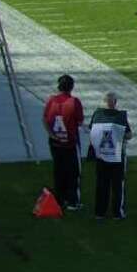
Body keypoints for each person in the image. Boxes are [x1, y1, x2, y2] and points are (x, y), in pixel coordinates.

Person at [85, 91, 132, 220]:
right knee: (118, 186)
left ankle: (100, 212)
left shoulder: (97, 114)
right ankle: (117, 213)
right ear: (115, 103)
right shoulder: (120, 116)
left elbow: (92, 131)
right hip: (117, 155)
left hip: (101, 155)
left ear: (104, 102)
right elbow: (128, 135)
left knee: (101, 184)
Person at [42, 74, 85, 210]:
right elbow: (79, 121)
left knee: (59, 171)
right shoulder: (74, 102)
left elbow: (44, 119)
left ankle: (60, 200)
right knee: (73, 173)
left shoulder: (51, 100)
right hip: (70, 143)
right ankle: (73, 201)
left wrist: (52, 135)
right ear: (71, 87)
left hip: (55, 143)